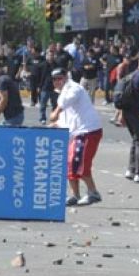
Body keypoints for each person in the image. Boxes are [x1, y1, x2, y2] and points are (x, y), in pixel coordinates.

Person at [47, 68, 103, 206]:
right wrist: (57, 124)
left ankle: (93, 193)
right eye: (54, 79)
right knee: (69, 164)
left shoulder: (74, 88)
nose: (57, 82)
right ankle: (75, 195)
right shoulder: (61, 93)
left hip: (88, 131)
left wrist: (56, 111)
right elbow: (70, 116)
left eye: (59, 78)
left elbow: (68, 101)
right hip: (76, 132)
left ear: (66, 77)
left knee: (78, 163)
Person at [0, 59, 24, 126]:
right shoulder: (3, 78)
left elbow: (4, 100)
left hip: (14, 117)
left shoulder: (1, 80)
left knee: (2, 134)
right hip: (15, 115)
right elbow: (9, 96)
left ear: (0, 69)